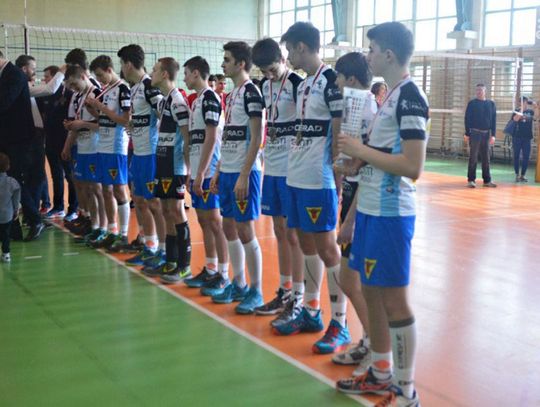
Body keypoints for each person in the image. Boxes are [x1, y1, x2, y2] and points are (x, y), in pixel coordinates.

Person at [334, 22, 427, 406]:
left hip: (391, 214)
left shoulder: (410, 97)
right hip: (370, 209)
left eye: (371, 49)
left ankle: (405, 390)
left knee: (395, 301)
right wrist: (357, 163)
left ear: (388, 54)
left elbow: (412, 166)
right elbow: (382, 157)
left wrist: (360, 150)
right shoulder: (389, 96)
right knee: (371, 290)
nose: (367, 55)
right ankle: (380, 371)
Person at [274, 22, 349, 356]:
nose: (289, 56)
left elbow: (339, 132)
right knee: (305, 243)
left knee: (327, 248)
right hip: (296, 176)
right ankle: (311, 311)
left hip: (319, 179)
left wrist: (338, 178)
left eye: (290, 49)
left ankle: (340, 323)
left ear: (302, 47)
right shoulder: (302, 85)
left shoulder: (332, 81)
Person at [209, 41, 264, 314]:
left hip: (245, 172)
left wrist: (244, 174)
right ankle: (239, 283)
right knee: (229, 227)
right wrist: (219, 171)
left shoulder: (251, 92)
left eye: (227, 60)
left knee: (245, 230)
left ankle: (256, 290)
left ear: (241, 64)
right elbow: (229, 135)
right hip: (228, 170)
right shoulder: (231, 96)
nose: (223, 64)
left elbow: (257, 137)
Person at [251, 38, 304, 316]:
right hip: (270, 165)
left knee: (292, 233)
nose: (269, 76)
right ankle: (284, 290)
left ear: (283, 59)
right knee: (278, 230)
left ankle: (299, 296)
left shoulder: (297, 84)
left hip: (291, 168)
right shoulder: (263, 86)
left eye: (272, 69)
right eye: (264, 72)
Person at [331, 51, 376, 373]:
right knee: (349, 279)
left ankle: (377, 348)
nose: (335, 83)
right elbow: (356, 160)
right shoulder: (354, 107)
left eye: (338, 77)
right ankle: (371, 342)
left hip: (364, 204)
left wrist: (350, 220)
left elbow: (370, 166)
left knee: (361, 282)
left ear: (351, 79)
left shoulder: (369, 110)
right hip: (351, 195)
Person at [181, 56, 230, 288]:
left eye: (186, 74)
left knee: (214, 221)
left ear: (196, 73)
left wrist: (201, 173)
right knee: (202, 219)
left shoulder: (210, 97)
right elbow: (196, 140)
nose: (184, 78)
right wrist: (191, 170)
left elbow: (211, 137)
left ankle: (223, 274)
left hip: (209, 170)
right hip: (198, 169)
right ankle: (210, 268)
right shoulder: (197, 100)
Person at [113, 44, 165, 262]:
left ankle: (161, 249)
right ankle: (147, 243)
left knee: (153, 203)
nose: (121, 68)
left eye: (121, 63)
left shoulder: (149, 86)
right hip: (138, 153)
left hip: (151, 153)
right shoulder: (134, 88)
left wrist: (158, 133)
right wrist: (134, 124)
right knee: (139, 199)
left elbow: (164, 113)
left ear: (128, 64)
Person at [145, 56, 193, 283]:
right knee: (165, 210)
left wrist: (189, 170)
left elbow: (187, 137)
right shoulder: (164, 101)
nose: (151, 74)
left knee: (176, 210)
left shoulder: (178, 102)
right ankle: (171, 261)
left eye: (154, 70)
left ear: (164, 74)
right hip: (162, 163)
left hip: (175, 166)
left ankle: (184, 265)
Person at [86, 55, 132, 250]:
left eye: (100, 75)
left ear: (109, 70)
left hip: (116, 146)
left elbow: (125, 120)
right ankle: (111, 230)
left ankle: (123, 234)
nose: (99, 79)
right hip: (102, 145)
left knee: (119, 190)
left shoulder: (123, 89)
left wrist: (101, 107)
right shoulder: (106, 90)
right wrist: (94, 110)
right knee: (106, 189)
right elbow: (104, 118)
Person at [0, 51, 45, 241]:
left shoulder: (15, 74)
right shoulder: (7, 75)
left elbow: (4, 103)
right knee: (7, 179)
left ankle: (35, 220)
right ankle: (14, 227)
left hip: (18, 140)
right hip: (8, 138)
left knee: (15, 179)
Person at [62, 64, 107, 244]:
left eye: (74, 84)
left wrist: (82, 125)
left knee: (97, 189)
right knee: (86, 188)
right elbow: (78, 123)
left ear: (83, 76)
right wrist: (70, 135)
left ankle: (102, 228)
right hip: (82, 147)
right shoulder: (79, 96)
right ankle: (91, 223)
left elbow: (105, 125)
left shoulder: (96, 94)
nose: (73, 88)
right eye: (70, 86)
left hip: (95, 147)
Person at [37, 65, 79, 221]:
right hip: (50, 141)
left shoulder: (69, 94)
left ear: (56, 77)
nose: (44, 79)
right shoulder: (44, 95)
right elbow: (41, 116)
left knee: (70, 176)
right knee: (56, 176)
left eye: (47, 76)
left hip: (65, 141)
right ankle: (58, 207)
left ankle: (73, 209)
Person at [464, 83, 497, 188]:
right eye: (477, 90)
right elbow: (467, 119)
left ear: (485, 91)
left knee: (486, 158)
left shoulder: (491, 104)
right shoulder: (472, 103)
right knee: (473, 157)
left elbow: (494, 120)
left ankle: (487, 181)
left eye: (480, 90)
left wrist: (493, 135)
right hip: (475, 133)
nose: (478, 92)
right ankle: (471, 180)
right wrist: (467, 133)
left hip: (486, 134)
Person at [0, 153, 21, 263]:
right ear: (8, 166)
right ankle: (6, 254)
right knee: (5, 235)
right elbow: (16, 198)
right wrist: (16, 209)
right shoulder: (12, 182)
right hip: (6, 215)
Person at [511, 97, 535, 182]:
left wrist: (536, 106)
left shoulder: (530, 111)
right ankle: (517, 174)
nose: (524, 103)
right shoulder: (516, 111)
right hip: (517, 137)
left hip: (527, 138)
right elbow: (515, 119)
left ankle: (523, 175)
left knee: (526, 157)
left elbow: (536, 117)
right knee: (516, 156)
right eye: (522, 102)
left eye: (525, 102)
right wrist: (521, 110)